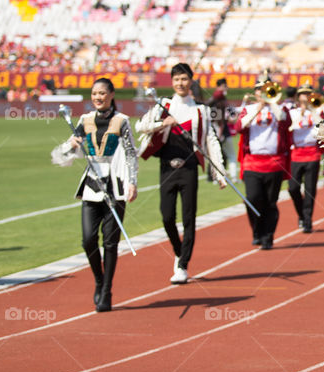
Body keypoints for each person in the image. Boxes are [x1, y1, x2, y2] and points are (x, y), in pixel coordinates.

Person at [52, 79, 138, 312]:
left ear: (111, 95)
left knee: (110, 243)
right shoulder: (84, 120)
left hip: (115, 187)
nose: (98, 97)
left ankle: (107, 290)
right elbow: (67, 154)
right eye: (94, 93)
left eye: (102, 93)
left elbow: (131, 153)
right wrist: (72, 145)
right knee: (88, 240)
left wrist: (132, 183)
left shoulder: (122, 122)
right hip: (92, 187)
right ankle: (99, 280)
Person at [138, 63, 227, 284]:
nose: (180, 83)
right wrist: (161, 123)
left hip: (188, 169)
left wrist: (220, 172)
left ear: (191, 81)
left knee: (189, 218)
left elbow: (211, 141)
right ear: (172, 81)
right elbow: (141, 126)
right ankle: (179, 253)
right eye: (176, 79)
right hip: (167, 167)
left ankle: (183, 265)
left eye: (184, 79)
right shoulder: (164, 105)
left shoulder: (202, 110)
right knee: (167, 216)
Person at [234, 79, 292, 249]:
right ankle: (257, 230)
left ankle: (268, 235)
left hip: (274, 163)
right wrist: (257, 109)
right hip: (253, 162)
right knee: (252, 199)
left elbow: (284, 121)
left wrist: (272, 102)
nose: (263, 93)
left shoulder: (280, 109)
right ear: (255, 92)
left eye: (267, 90)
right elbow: (239, 127)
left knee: (270, 202)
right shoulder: (248, 109)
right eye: (260, 90)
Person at [287, 86, 324, 233]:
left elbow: (322, 126)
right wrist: (301, 113)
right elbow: (290, 128)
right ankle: (302, 214)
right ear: (298, 97)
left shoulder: (316, 111)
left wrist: (311, 110)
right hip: (296, 153)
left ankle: (307, 220)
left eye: (308, 95)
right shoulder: (292, 112)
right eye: (303, 95)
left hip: (312, 154)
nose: (305, 97)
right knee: (293, 188)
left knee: (310, 189)